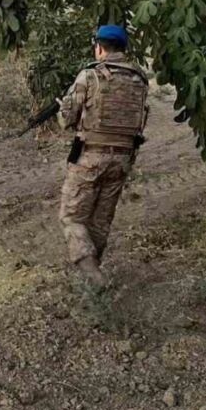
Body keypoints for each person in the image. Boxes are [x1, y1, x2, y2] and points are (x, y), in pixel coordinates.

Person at [57, 25, 150, 288]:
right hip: (122, 159)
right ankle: (93, 277)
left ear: (99, 47)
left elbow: (67, 120)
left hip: (90, 158)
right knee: (100, 221)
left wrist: (62, 109)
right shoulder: (140, 79)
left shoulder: (90, 76)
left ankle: (93, 276)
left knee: (73, 217)